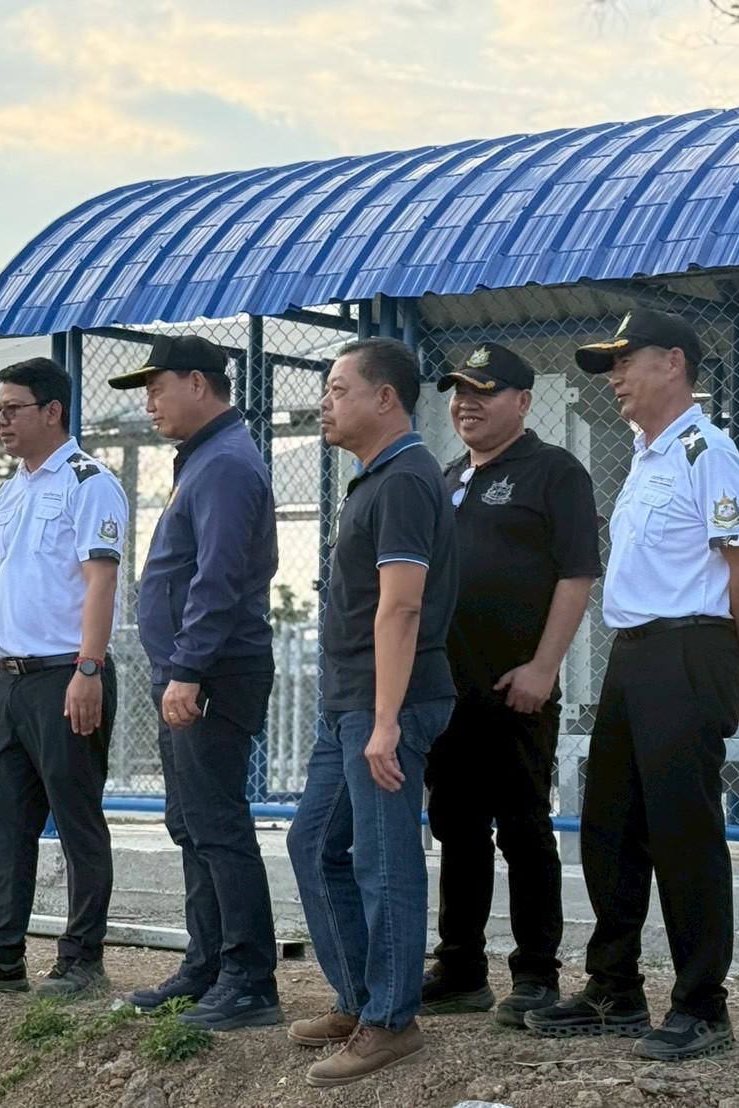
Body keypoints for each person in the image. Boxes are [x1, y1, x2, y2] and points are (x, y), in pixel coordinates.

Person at [525, 308, 739, 1061]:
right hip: (633, 654)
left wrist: (733, 668)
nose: (615, 378)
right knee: (609, 825)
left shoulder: (706, 452)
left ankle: (702, 1006)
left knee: (683, 832)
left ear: (673, 363)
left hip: (689, 650)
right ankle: (614, 989)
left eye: (626, 361)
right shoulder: (646, 454)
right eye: (611, 366)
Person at [285, 337, 458, 1088]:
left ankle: (391, 1021)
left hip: (388, 705)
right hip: (350, 701)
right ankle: (360, 1000)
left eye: (337, 389)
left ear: (385, 398)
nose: (325, 403)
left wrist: (386, 721)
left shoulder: (407, 481)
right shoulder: (377, 479)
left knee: (383, 861)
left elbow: (402, 606)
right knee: (313, 844)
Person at [421, 343, 601, 1027]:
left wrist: (543, 668)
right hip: (448, 692)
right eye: (459, 392)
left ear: (522, 402)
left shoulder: (554, 472)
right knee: (456, 829)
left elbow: (576, 575)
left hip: (514, 688)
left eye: (484, 391)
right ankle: (461, 968)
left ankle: (535, 975)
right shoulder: (445, 477)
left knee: (523, 830)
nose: (466, 403)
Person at [107, 335, 281, 1030]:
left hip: (212, 671)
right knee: (190, 824)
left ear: (198, 384)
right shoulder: (205, 459)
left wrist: (187, 669)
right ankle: (206, 964)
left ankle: (249, 979)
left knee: (217, 824)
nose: (149, 403)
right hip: (189, 670)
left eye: (157, 388)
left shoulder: (226, 464)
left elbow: (218, 579)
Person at [0, 356, 129, 997]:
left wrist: (89, 668)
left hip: (65, 676)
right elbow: (4, 584)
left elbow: (101, 581)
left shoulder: (89, 482)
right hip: (11, 679)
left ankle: (81, 959)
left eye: (11, 409)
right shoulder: (10, 492)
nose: (0, 421)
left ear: (52, 411)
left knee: (76, 819)